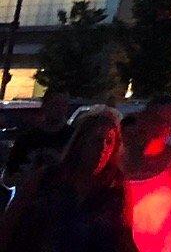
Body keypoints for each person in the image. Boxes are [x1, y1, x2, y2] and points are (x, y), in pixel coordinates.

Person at [0, 104, 130, 252]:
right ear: (80, 141)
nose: (102, 148)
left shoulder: (115, 193)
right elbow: (10, 221)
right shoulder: (47, 179)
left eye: (109, 141)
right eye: (96, 139)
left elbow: (123, 240)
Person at [122, 103, 171, 252]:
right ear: (143, 119)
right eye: (155, 119)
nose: (159, 127)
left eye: (166, 122)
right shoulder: (121, 160)